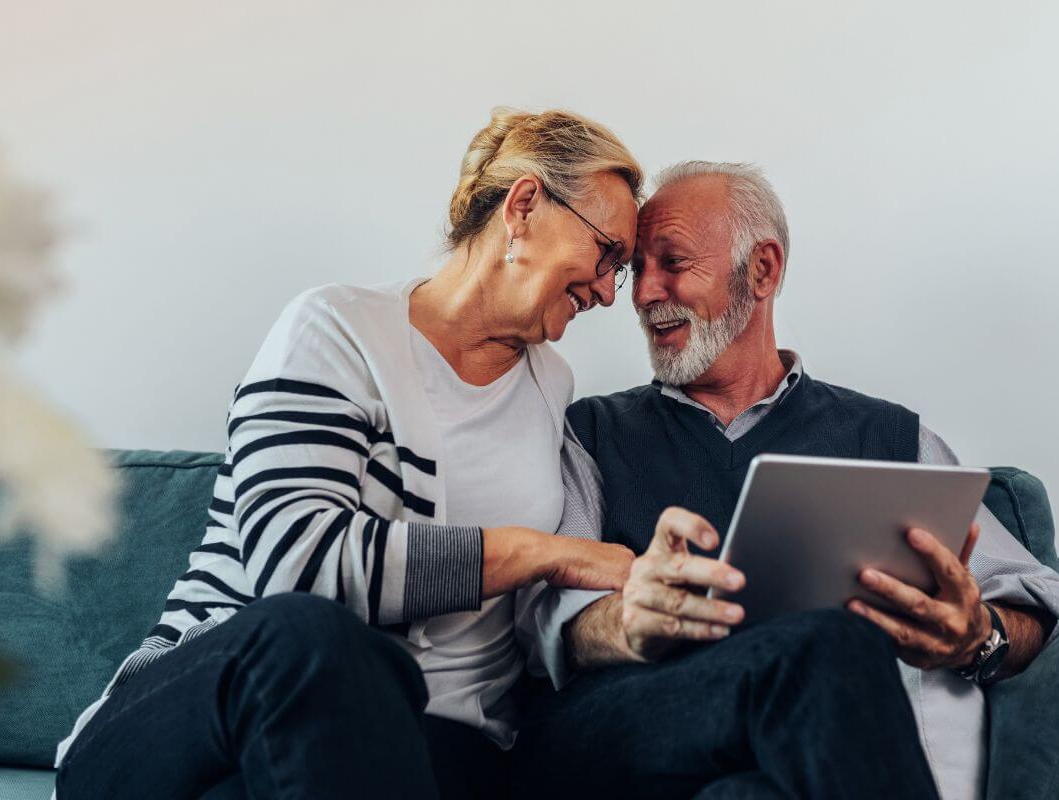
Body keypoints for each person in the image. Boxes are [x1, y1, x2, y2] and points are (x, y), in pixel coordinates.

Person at [53, 107, 644, 800]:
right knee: (311, 636)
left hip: (426, 750)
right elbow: (299, 569)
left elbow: (569, 602)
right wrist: (542, 551)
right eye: (607, 253)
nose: (608, 291)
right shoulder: (336, 330)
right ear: (523, 206)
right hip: (213, 720)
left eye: (621, 271)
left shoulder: (552, 390)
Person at [514, 161, 1059, 800]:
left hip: (798, 756)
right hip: (632, 727)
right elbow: (541, 622)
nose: (642, 293)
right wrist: (626, 618)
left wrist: (980, 636)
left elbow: (1042, 602)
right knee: (828, 646)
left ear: (762, 269)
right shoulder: (589, 433)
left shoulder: (892, 439)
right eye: (635, 268)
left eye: (671, 262)